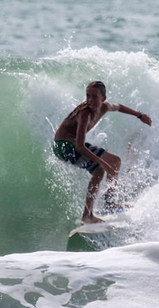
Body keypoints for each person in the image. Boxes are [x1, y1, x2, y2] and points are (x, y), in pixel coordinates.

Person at [53, 81, 152, 223]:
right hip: (64, 146)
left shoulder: (105, 107)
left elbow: (119, 107)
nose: (90, 100)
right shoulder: (85, 114)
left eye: (94, 96)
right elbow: (80, 146)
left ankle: (110, 202)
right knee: (99, 170)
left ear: (103, 98)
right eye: (88, 96)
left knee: (116, 161)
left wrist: (140, 115)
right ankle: (87, 215)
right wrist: (102, 162)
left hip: (73, 144)